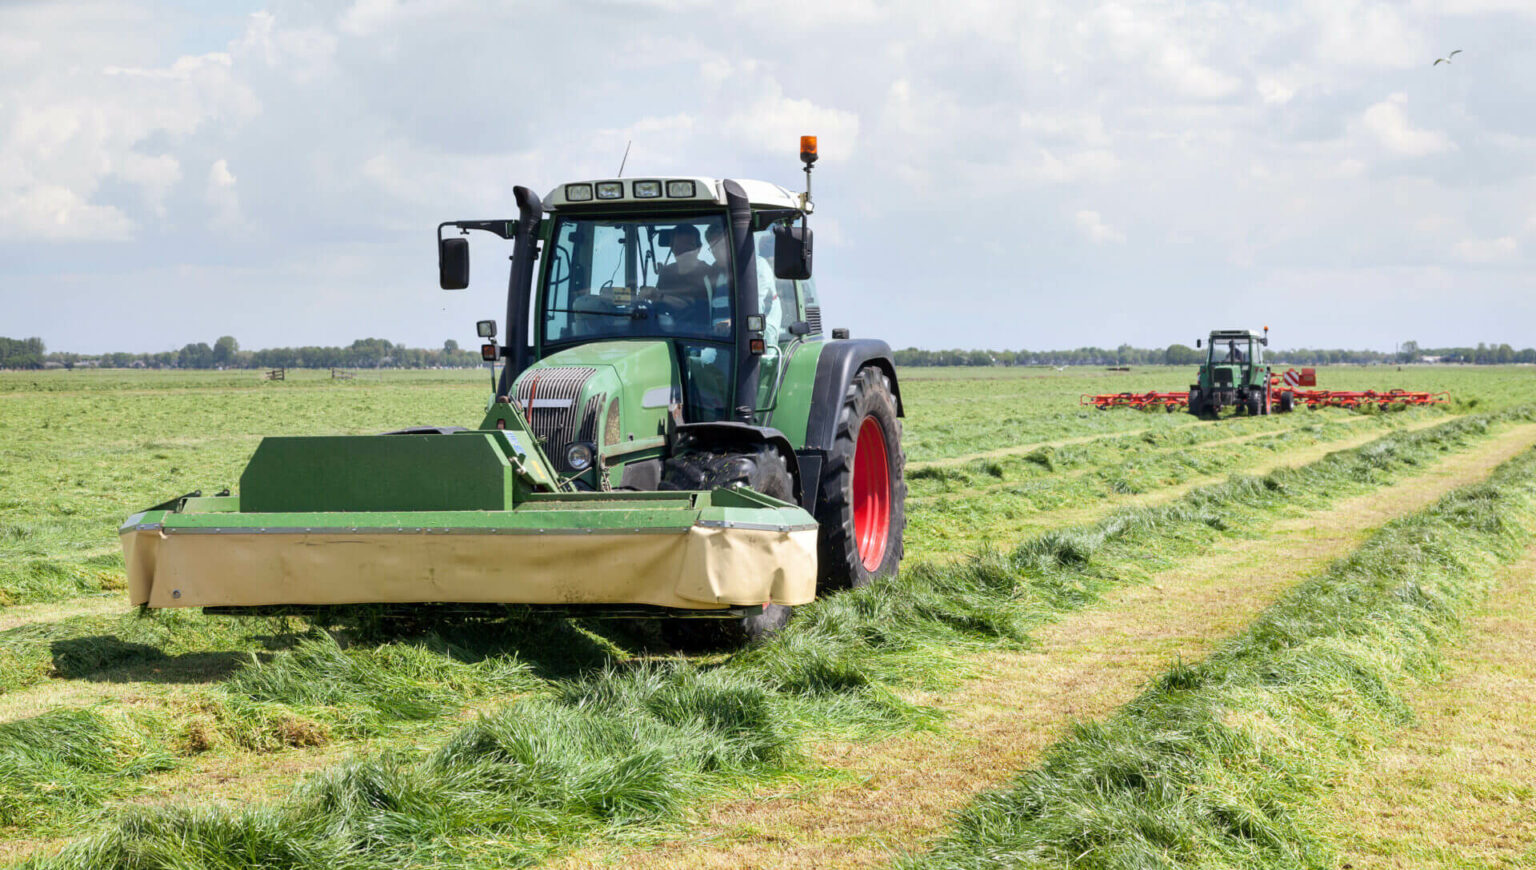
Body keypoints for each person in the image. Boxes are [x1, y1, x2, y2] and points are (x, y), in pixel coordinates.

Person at [704, 224, 781, 347]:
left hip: (757, 343)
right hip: (722, 343)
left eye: (719, 245)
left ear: (732, 242)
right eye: (712, 247)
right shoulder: (714, 275)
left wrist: (733, 323)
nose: (715, 252)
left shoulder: (756, 267)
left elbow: (757, 308)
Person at [653, 225, 712, 328]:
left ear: (699, 248)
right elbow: (657, 306)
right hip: (667, 332)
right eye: (679, 248)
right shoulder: (665, 273)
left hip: (702, 334)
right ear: (672, 248)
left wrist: (660, 297)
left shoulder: (709, 273)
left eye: (688, 248)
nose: (684, 253)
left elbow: (690, 305)